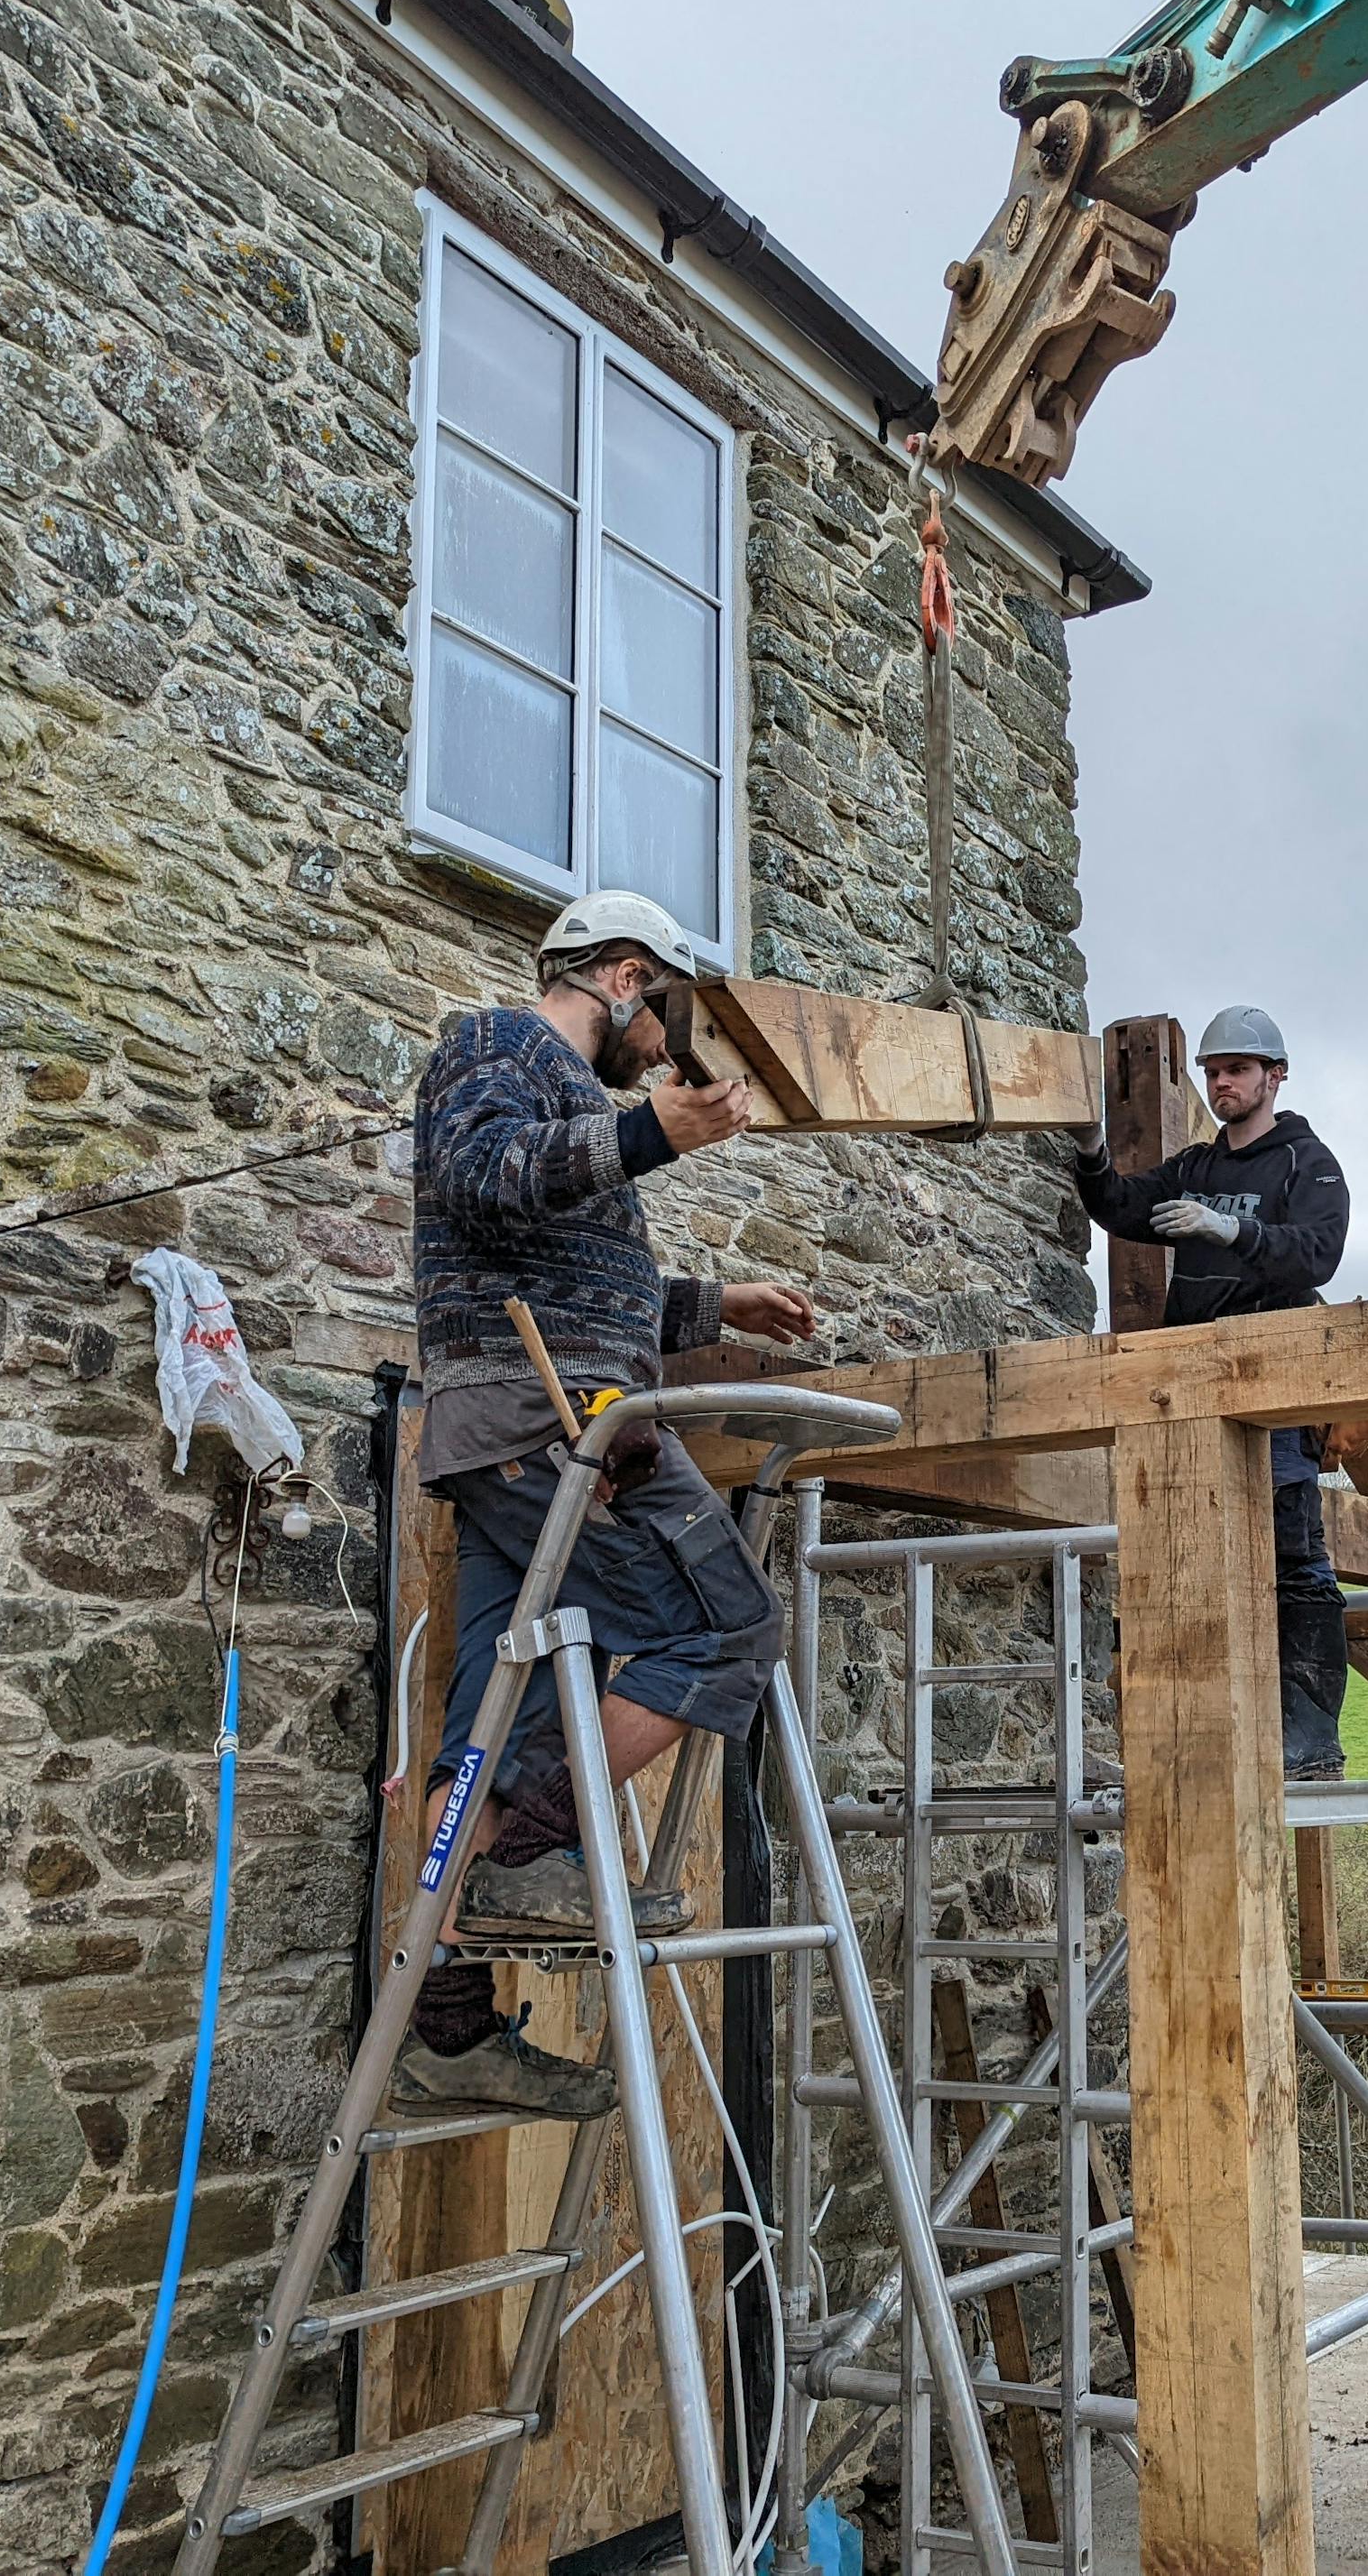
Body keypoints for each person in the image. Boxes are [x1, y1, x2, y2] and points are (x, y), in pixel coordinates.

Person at [393, 889, 819, 2119]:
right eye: (668, 1011)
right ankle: (534, 1845)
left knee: (484, 1713)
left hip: (528, 1413)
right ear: (626, 975)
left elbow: (579, 1275)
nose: (669, 1044)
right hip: (553, 1420)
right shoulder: (498, 1046)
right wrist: (650, 1138)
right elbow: (481, 1178)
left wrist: (714, 1303)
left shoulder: (566, 1094)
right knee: (729, 1627)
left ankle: (449, 2023)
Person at [1068, 1004, 1354, 1780]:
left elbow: (1320, 1252)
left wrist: (1235, 1234)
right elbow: (1123, 1207)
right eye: (1213, 1072)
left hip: (1274, 1389)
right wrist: (1090, 1146)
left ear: (1275, 1076)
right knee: (1191, 1554)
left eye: (1236, 1070)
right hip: (1192, 1390)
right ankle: (1202, 1732)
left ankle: (1311, 1740)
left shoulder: (1306, 1163)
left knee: (1294, 1560)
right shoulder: (1197, 1169)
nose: (1222, 1082)